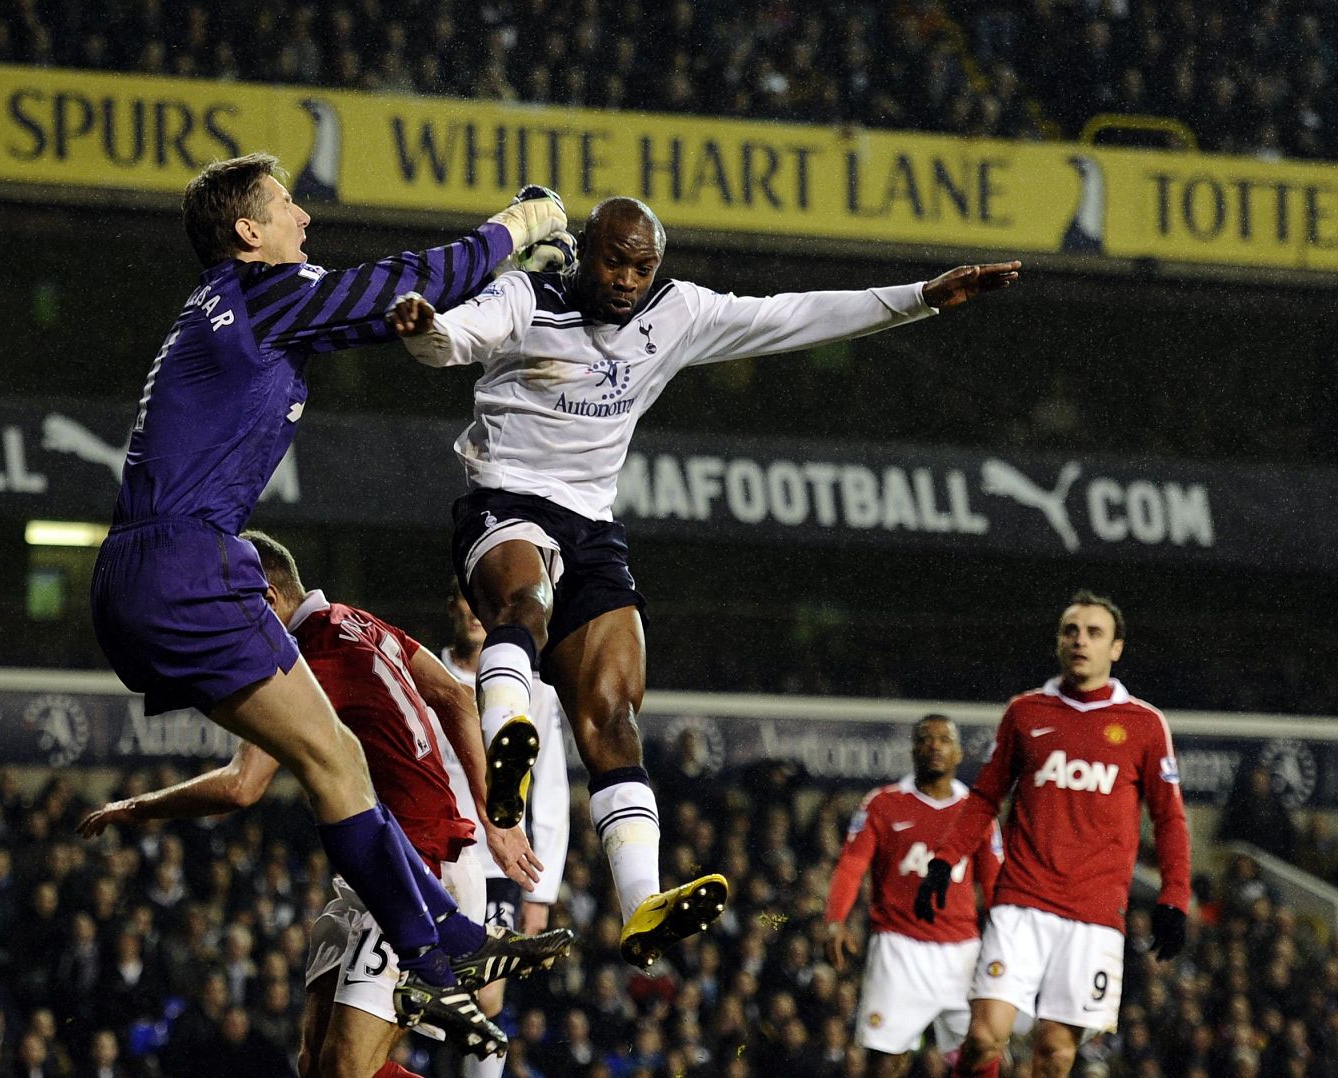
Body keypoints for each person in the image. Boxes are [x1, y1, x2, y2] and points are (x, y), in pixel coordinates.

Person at [389, 193, 1021, 967]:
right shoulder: (528, 295)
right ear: (585, 250)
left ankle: (641, 903)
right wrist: (428, 328)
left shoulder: (676, 313)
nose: (626, 278)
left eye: (641, 265)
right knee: (526, 603)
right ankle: (506, 747)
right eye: (614, 260)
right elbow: (456, 338)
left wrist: (921, 298)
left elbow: (794, 315)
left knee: (616, 718)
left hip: (591, 522)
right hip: (506, 497)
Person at [89, 151, 568, 1021]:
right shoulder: (262, 295)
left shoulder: (217, 312)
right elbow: (403, 284)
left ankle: (441, 942)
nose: (303, 219)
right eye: (286, 206)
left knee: (328, 762)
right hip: (191, 566)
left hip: (134, 576)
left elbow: (240, 788)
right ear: (248, 232)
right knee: (333, 762)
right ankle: (436, 948)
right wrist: (515, 229)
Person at [81, 533, 575, 1074]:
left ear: (264, 598)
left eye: (228, 608)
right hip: (381, 860)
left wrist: (139, 808)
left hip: (419, 867)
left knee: (345, 1068)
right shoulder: (357, 621)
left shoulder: (300, 658)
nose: (226, 626)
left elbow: (241, 784)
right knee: (315, 1064)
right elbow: (454, 697)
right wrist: (490, 815)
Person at [913, 591, 1192, 1078]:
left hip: (1095, 912)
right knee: (981, 1039)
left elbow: (1169, 818)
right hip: (1022, 900)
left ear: (1116, 648)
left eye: (1094, 632)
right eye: (1071, 631)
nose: (1080, 640)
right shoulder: (1027, 712)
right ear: (1059, 642)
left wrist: (1174, 896)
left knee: (1056, 1054)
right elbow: (985, 797)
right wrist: (944, 860)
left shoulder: (1145, 724)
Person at [427, 584, 570, 1078]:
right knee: (414, 991)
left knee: (487, 992)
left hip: (499, 863)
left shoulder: (536, 688)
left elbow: (549, 786)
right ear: (454, 606)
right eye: (467, 599)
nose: (474, 611)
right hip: (432, 856)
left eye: (484, 602)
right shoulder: (423, 674)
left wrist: (540, 890)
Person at [824, 716, 1007, 1078]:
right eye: (925, 739)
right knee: (885, 1062)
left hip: (962, 952)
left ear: (959, 753)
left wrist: (1008, 942)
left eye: (943, 739)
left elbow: (996, 884)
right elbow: (851, 865)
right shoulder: (883, 803)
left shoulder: (978, 812)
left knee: (984, 1050)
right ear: (912, 750)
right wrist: (835, 922)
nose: (934, 746)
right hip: (898, 948)